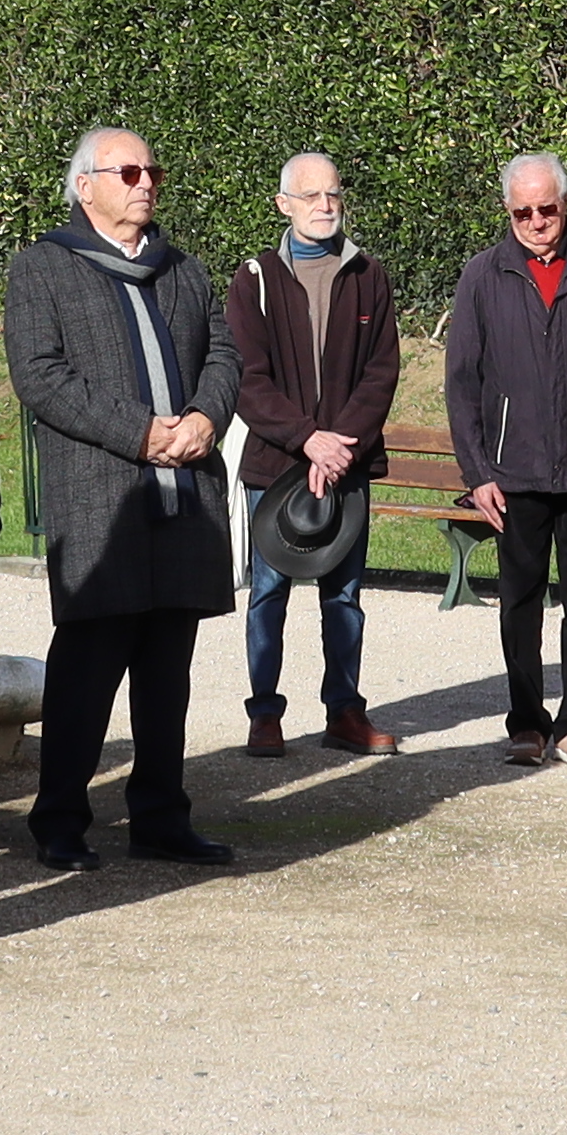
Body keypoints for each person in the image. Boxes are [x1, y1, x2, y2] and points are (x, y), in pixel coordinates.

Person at [9, 127, 245, 866]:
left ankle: (160, 817)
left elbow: (226, 353)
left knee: (167, 671)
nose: (146, 182)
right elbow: (41, 376)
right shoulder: (43, 268)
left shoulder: (184, 270)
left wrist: (207, 417)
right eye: (130, 170)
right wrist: (140, 433)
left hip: (183, 498)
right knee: (86, 673)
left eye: (153, 170)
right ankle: (59, 822)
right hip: (101, 501)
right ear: (87, 186)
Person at [439, 154, 567, 766]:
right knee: (519, 603)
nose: (535, 221)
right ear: (508, 211)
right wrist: (477, 474)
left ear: (565, 205)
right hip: (513, 470)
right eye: (522, 211)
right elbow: (462, 383)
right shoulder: (483, 274)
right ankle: (527, 723)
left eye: (546, 208)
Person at [227, 150, 403, 762]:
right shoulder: (254, 281)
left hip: (347, 466)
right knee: (267, 595)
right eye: (310, 197)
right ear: (284, 205)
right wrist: (307, 439)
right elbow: (247, 378)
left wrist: (339, 445)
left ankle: (344, 712)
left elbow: (381, 372)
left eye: (332, 195)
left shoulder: (369, 275)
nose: (324, 206)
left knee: (345, 597)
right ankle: (265, 715)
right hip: (277, 465)